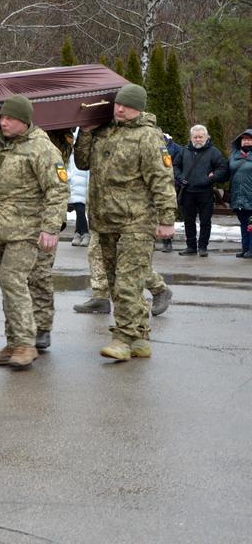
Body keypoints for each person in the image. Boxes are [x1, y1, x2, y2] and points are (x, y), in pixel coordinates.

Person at [0, 95, 68, 369]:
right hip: (0, 229)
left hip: (27, 230)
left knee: (13, 280)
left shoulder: (42, 149)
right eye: (1, 118)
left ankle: (25, 344)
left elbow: (57, 191)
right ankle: (13, 343)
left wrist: (50, 228)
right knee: (8, 286)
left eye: (9, 118)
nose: (3, 122)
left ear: (24, 120)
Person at [74, 83, 176, 360]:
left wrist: (167, 219)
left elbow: (162, 180)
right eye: (118, 104)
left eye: (126, 106)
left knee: (127, 284)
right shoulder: (104, 131)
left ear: (139, 108)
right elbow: (82, 163)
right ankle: (140, 337)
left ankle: (122, 337)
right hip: (105, 220)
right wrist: (85, 133)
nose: (120, 109)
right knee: (114, 280)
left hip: (137, 222)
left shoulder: (148, 137)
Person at [73, 235, 173, 315]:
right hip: (102, 216)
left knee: (128, 259)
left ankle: (159, 289)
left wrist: (166, 220)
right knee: (97, 252)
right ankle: (100, 297)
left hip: (126, 216)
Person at [173, 124, 227, 257]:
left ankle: (203, 247)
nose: (198, 140)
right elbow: (175, 166)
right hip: (188, 192)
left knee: (205, 221)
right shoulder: (184, 151)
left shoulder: (214, 152)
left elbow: (223, 168)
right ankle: (191, 246)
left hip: (205, 192)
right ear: (191, 138)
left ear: (206, 137)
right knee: (188, 221)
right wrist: (180, 178)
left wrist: (212, 177)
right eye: (195, 137)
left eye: (200, 137)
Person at [229, 128, 252, 258]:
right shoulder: (234, 156)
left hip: (250, 195)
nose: (247, 142)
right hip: (238, 196)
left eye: (249, 139)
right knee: (244, 224)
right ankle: (245, 248)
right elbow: (225, 172)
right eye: (244, 139)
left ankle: (251, 249)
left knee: (251, 224)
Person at [67, 150, 90, 246]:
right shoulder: (70, 156)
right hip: (74, 188)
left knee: (80, 211)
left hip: (84, 189)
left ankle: (83, 234)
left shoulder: (86, 156)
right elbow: (67, 171)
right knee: (79, 212)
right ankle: (80, 233)